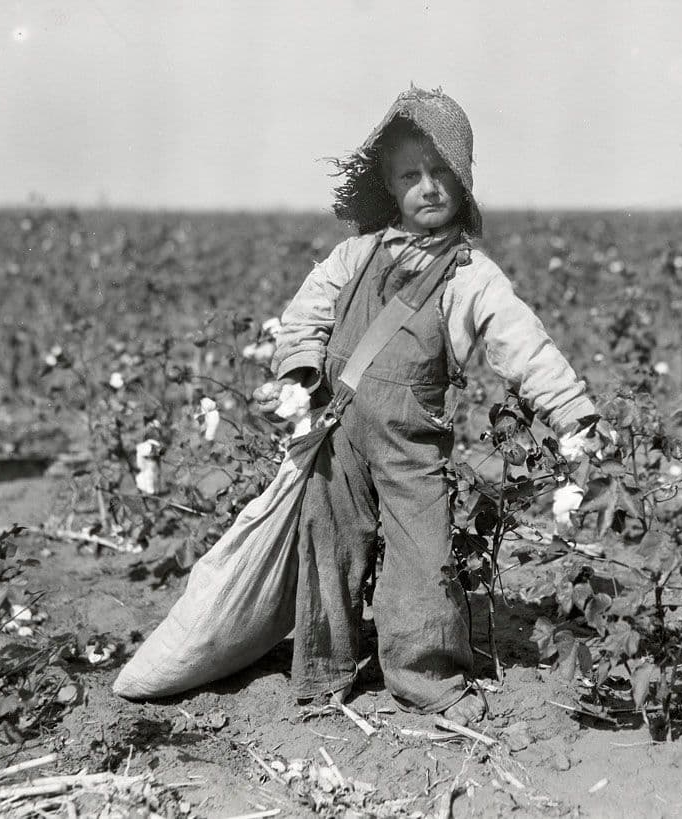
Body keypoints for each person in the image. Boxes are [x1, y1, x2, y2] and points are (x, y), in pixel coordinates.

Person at [256, 87, 605, 725]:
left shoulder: (471, 274)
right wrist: (300, 372)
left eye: (442, 171)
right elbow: (304, 315)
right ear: (390, 185)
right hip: (337, 432)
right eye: (410, 174)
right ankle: (322, 670)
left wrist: (573, 416)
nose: (428, 187)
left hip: (411, 440)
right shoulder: (353, 256)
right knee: (325, 541)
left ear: (464, 179)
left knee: (423, 553)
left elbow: (524, 346)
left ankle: (427, 679)